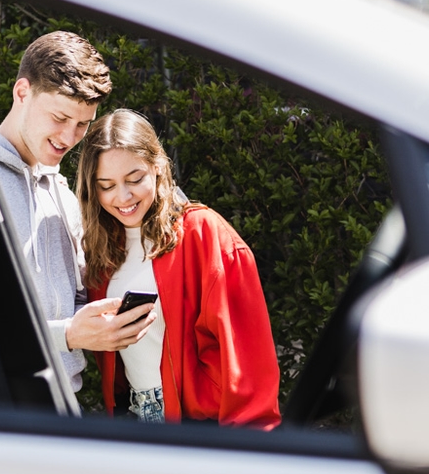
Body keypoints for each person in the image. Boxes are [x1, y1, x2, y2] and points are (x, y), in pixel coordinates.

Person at [77, 108, 281, 429]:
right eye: (106, 185)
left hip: (200, 424)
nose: (123, 196)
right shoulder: (102, 248)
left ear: (157, 167)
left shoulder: (202, 233)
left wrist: (251, 440)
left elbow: (248, 353)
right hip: (135, 415)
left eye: (135, 179)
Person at [0, 32, 156, 396]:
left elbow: (74, 302)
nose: (69, 136)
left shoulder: (63, 196)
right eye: (60, 117)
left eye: (82, 124)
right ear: (21, 92)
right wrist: (68, 335)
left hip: (62, 403)